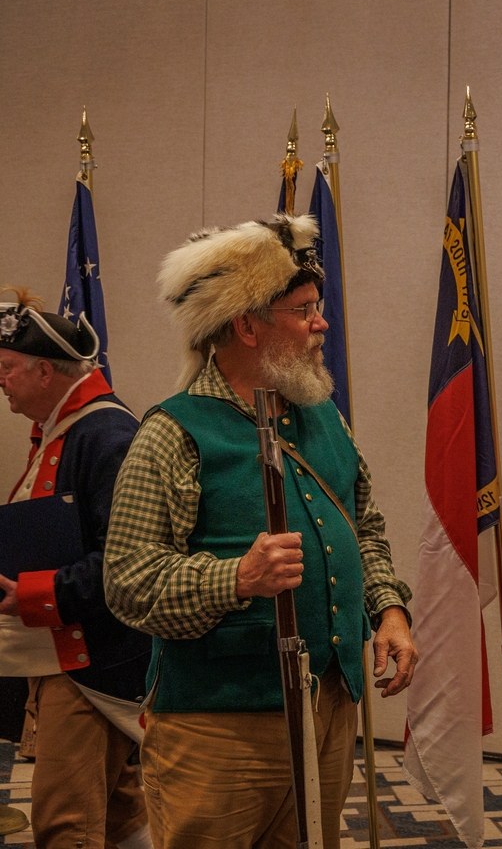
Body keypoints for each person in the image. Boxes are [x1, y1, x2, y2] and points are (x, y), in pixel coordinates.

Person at [103, 214, 417, 846]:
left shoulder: (324, 415)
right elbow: (127, 582)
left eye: (317, 307)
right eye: (303, 311)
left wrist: (388, 609)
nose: (321, 324)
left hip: (330, 707)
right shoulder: (172, 433)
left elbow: (365, 526)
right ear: (246, 326)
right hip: (218, 729)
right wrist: (237, 578)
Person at [0, 289, 152, 849]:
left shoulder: (106, 435)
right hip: (67, 652)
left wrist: (33, 595)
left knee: (66, 823)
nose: (0, 380)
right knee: (118, 809)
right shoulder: (69, 430)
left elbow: (128, 562)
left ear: (45, 371)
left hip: (90, 661)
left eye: (7, 367)